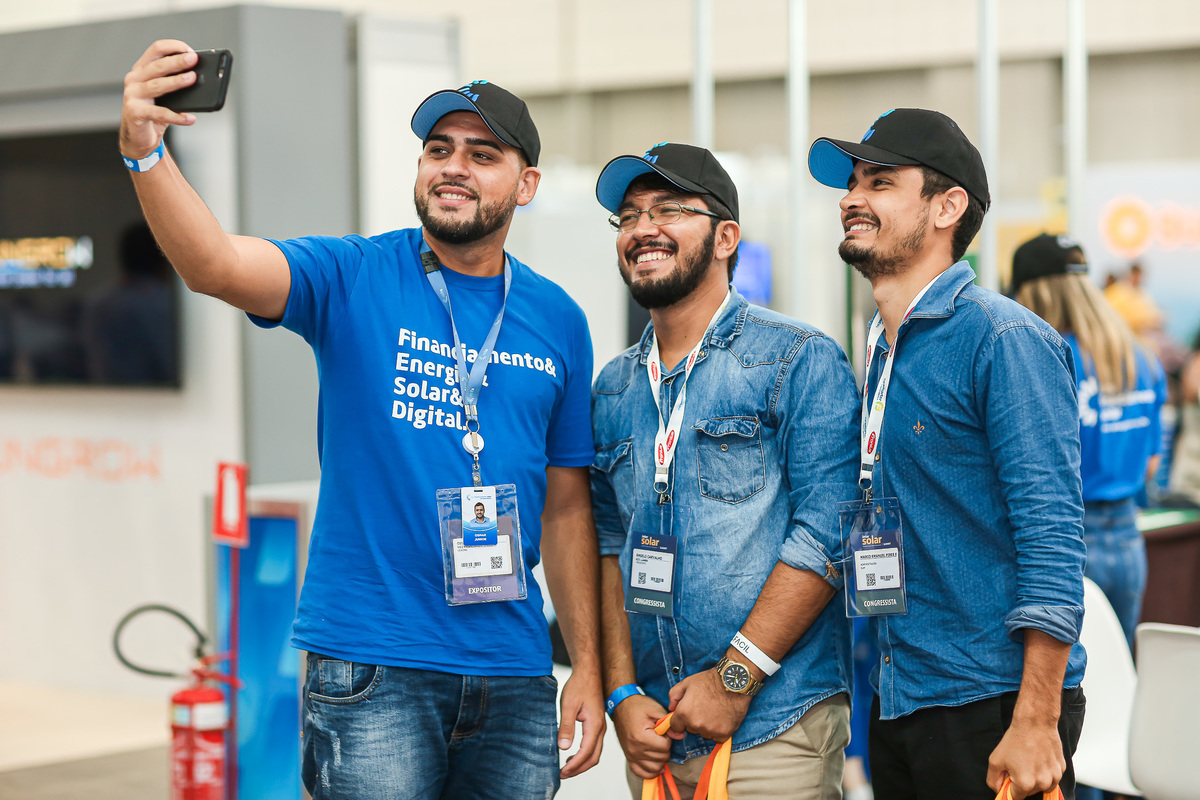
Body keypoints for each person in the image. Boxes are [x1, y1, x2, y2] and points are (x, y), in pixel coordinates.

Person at [120, 41, 603, 798]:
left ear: (527, 183)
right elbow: (211, 264)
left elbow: (570, 507)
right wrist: (145, 153)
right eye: (438, 149)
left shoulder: (559, 319)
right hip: (373, 664)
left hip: (513, 673)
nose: (453, 166)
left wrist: (588, 669)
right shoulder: (351, 276)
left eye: (483, 155)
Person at [807, 109, 1087, 800]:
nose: (851, 199)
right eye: (851, 183)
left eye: (880, 182)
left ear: (947, 206)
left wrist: (1036, 717)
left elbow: (1052, 537)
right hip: (903, 691)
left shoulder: (1002, 339)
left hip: (992, 702)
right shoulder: (881, 344)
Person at [590, 142, 859, 800]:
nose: (644, 228)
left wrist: (735, 677)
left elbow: (827, 530)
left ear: (725, 238)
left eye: (670, 209)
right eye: (628, 216)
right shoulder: (614, 387)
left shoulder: (798, 359)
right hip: (655, 729)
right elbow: (606, 546)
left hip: (774, 724)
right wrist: (622, 691)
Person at [1012, 233, 1167, 648]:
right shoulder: (1139, 355)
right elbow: (1152, 463)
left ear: (1032, 293)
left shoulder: (1048, 356)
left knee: (1071, 690)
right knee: (1119, 677)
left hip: (1067, 541)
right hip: (1129, 538)